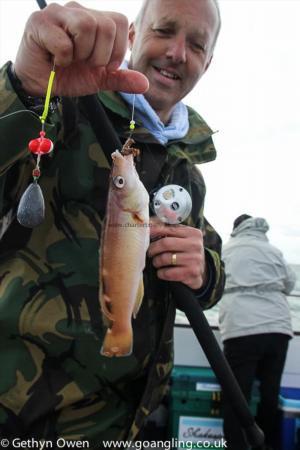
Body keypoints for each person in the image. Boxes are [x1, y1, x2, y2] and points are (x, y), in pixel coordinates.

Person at [0, 0, 225, 445]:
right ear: (132, 37)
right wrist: (23, 85)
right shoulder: (62, 106)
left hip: (127, 422)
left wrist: (205, 271)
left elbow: (210, 259)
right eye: (164, 31)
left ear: (208, 61)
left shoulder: (187, 169)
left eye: (196, 44)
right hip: (21, 414)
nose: (178, 52)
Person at [219, 215, 296, 450]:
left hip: (242, 328)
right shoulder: (272, 250)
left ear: (235, 229)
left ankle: (236, 445)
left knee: (236, 395)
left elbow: (214, 283)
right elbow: (290, 283)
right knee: (270, 393)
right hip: (279, 328)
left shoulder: (227, 250)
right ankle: (266, 445)